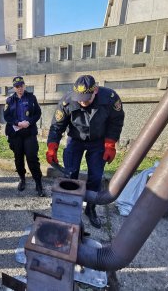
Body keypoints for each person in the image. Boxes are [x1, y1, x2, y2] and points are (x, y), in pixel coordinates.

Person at [46, 75, 125, 229]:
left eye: (86, 99)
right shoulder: (67, 101)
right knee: (70, 174)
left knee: (95, 177)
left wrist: (110, 144)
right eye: (79, 99)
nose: (82, 102)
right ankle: (69, 207)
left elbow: (116, 122)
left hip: (98, 142)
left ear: (95, 90)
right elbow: (57, 126)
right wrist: (52, 147)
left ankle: (90, 208)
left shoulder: (110, 99)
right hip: (75, 140)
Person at [4, 76, 45, 197]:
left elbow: (38, 113)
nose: (19, 88)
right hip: (16, 134)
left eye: (21, 85)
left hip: (29, 133)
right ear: (14, 88)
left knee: (32, 157)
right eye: (17, 86)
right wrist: (17, 123)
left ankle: (38, 183)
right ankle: (22, 178)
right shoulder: (10, 100)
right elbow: (7, 116)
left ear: (24, 85)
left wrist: (29, 122)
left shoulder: (31, 97)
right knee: (18, 158)